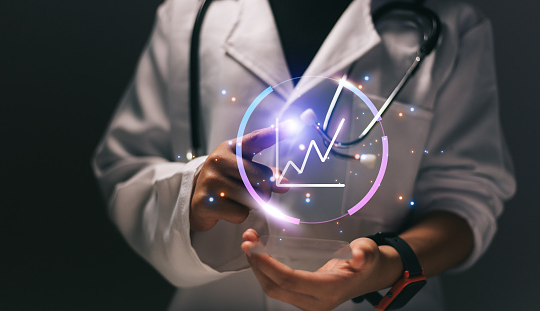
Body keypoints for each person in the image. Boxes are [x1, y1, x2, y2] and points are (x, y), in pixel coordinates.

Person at [92, 0, 516, 309]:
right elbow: (126, 169)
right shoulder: (187, 16)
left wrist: (388, 263)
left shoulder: (450, 24)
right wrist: (189, 196)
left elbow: (466, 199)